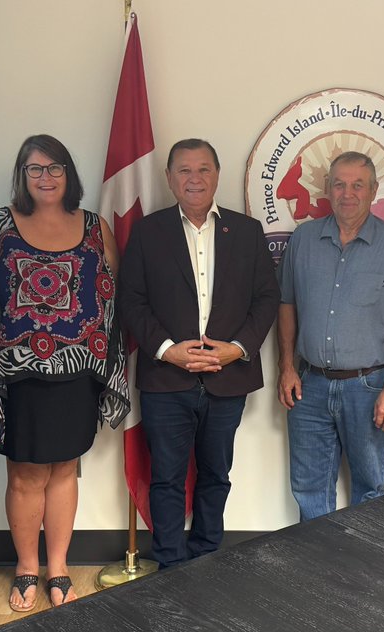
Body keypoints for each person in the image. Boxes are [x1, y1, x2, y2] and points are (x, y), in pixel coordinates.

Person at [0, 134, 129, 610]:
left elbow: (112, 292)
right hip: (18, 377)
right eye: (34, 169)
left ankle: (57, 566)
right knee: (24, 476)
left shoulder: (96, 227)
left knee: (64, 472)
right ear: (21, 176)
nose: (45, 178)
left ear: (69, 174)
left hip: (78, 374)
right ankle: (25, 567)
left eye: (55, 168)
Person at [118, 139, 279, 569]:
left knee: (216, 475)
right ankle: (170, 565)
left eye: (203, 169)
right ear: (170, 178)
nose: (194, 179)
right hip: (166, 379)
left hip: (229, 379)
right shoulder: (149, 232)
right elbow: (130, 301)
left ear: (217, 175)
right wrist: (168, 351)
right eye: (184, 170)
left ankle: (207, 558)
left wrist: (237, 349)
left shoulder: (246, 231)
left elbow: (266, 299)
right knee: (167, 478)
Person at [277, 151, 384, 521]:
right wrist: (286, 368)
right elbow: (287, 306)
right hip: (308, 385)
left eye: (357, 185)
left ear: (374, 190)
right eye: (340, 184)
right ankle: (317, 572)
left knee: (370, 488)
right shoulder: (304, 239)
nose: (348, 193)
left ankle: (363, 574)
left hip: (369, 387)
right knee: (309, 487)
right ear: (327, 189)